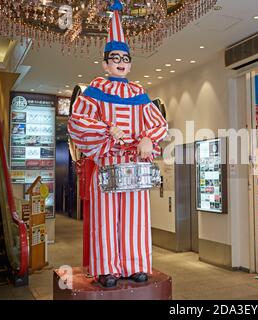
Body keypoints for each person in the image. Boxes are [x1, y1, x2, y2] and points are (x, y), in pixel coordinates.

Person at [68, 0, 168, 288]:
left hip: (135, 165)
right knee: (105, 217)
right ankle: (106, 268)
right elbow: (77, 123)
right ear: (105, 63)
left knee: (135, 217)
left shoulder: (139, 92)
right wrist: (106, 130)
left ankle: (136, 265)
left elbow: (158, 122)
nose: (121, 62)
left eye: (125, 58)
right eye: (115, 58)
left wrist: (149, 137)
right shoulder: (95, 90)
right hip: (108, 164)